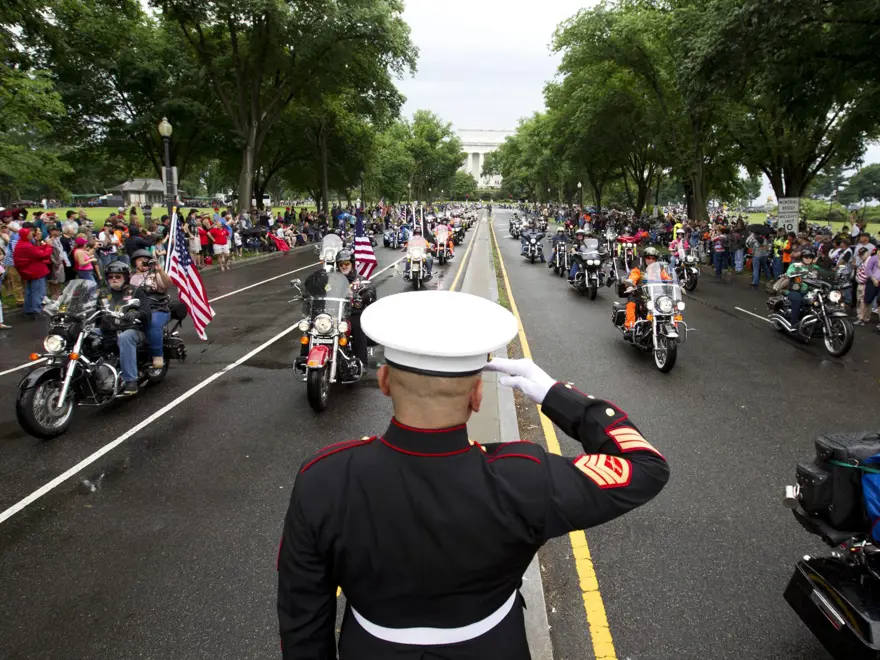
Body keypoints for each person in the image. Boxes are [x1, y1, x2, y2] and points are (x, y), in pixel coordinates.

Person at [277, 290, 669, 660]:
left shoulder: (323, 478)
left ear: (384, 383)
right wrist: (556, 395)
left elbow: (303, 616)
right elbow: (647, 467)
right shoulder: (525, 477)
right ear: (477, 397)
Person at [99, 262, 151, 395]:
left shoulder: (136, 291)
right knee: (87, 335)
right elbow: (90, 309)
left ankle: (131, 381)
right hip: (108, 329)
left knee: (125, 338)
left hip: (133, 330)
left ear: (126, 277)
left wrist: (136, 313)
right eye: (111, 277)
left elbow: (147, 312)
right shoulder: (103, 293)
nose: (114, 279)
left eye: (118, 276)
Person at [130, 249, 172, 369]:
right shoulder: (130, 277)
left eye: (146, 260)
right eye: (140, 260)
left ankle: (157, 356)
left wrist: (160, 270)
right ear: (134, 262)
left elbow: (168, 284)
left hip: (157, 308)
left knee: (152, 323)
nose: (143, 262)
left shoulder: (155, 274)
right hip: (135, 309)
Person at [336, 249, 376, 368]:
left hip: (353, 312)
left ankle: (361, 363)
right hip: (335, 314)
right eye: (341, 264)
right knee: (312, 326)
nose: (344, 266)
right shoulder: (333, 279)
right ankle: (305, 360)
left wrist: (365, 296)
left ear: (352, 264)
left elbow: (370, 289)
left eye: (347, 263)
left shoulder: (360, 279)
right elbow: (323, 290)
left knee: (358, 327)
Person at [622, 246, 670, 335]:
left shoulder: (660, 269)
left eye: (653, 258)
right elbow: (633, 277)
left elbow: (667, 278)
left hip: (656, 295)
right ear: (644, 259)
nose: (650, 260)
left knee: (671, 307)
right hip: (641, 294)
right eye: (648, 258)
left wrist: (676, 285)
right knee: (631, 304)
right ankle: (629, 328)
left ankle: (671, 328)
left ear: (656, 260)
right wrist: (630, 284)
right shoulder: (639, 269)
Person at [13, 227, 54, 318]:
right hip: (36, 271)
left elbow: (34, 250)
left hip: (28, 272)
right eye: (30, 233)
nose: (32, 234)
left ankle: (28, 309)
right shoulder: (26, 245)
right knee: (38, 292)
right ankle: (36, 310)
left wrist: (44, 246)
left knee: (29, 291)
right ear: (26, 235)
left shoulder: (21, 244)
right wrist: (49, 247)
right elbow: (42, 255)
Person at [783, 247, 819, 328]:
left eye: (810, 257)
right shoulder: (795, 265)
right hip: (795, 290)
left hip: (810, 291)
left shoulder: (815, 268)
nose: (808, 259)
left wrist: (835, 275)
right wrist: (796, 273)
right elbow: (789, 273)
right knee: (797, 298)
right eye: (806, 257)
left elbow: (824, 274)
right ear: (802, 257)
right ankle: (794, 323)